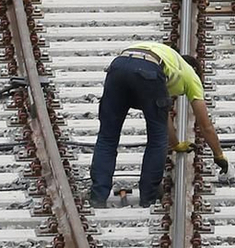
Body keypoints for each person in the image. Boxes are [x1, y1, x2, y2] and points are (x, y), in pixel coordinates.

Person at [89, 42, 227, 208]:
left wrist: (176, 144)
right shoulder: (191, 76)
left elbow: (163, 114)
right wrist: (219, 155)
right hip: (148, 70)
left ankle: (97, 196)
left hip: (118, 65)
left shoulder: (169, 62)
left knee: (107, 136)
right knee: (156, 139)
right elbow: (206, 125)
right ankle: (148, 195)